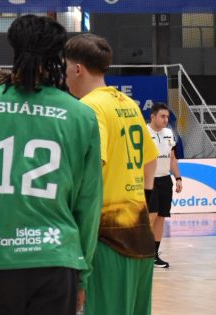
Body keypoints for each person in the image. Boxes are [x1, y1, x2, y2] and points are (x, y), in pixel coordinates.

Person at [0, 15, 103, 315]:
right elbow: (89, 203)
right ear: (58, 56)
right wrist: (82, 272)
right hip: (59, 256)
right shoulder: (81, 115)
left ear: (14, 50)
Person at [65, 33, 159, 315]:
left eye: (66, 66)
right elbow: (151, 160)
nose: (65, 74)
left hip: (108, 242)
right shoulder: (127, 103)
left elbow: (95, 164)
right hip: (140, 236)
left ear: (77, 68)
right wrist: (141, 200)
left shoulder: (89, 107)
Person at [147, 103, 183, 269]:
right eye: (162, 116)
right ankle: (142, 252)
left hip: (164, 180)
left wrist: (178, 177)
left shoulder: (169, 133)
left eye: (167, 117)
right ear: (153, 117)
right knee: (151, 216)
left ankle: (154, 254)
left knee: (161, 216)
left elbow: (172, 158)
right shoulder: (144, 132)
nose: (166, 120)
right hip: (149, 180)